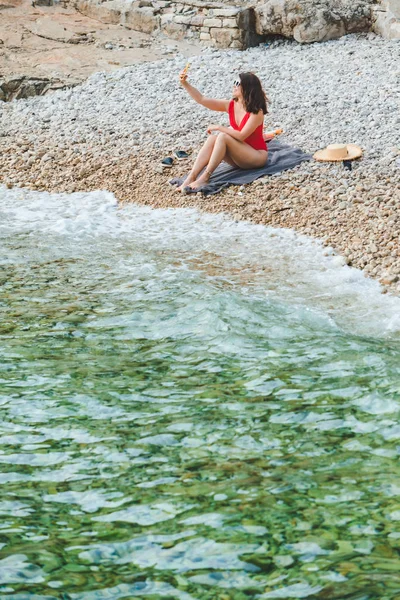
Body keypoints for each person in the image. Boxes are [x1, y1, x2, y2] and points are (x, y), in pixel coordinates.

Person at [177, 71, 271, 192]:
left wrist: (219, 127)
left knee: (223, 136)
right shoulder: (231, 105)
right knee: (212, 139)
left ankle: (205, 177)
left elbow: (242, 136)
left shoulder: (256, 112)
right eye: (234, 82)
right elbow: (202, 99)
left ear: (247, 88)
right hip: (240, 157)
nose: (234, 86)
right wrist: (185, 83)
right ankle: (191, 177)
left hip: (256, 157)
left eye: (237, 83)